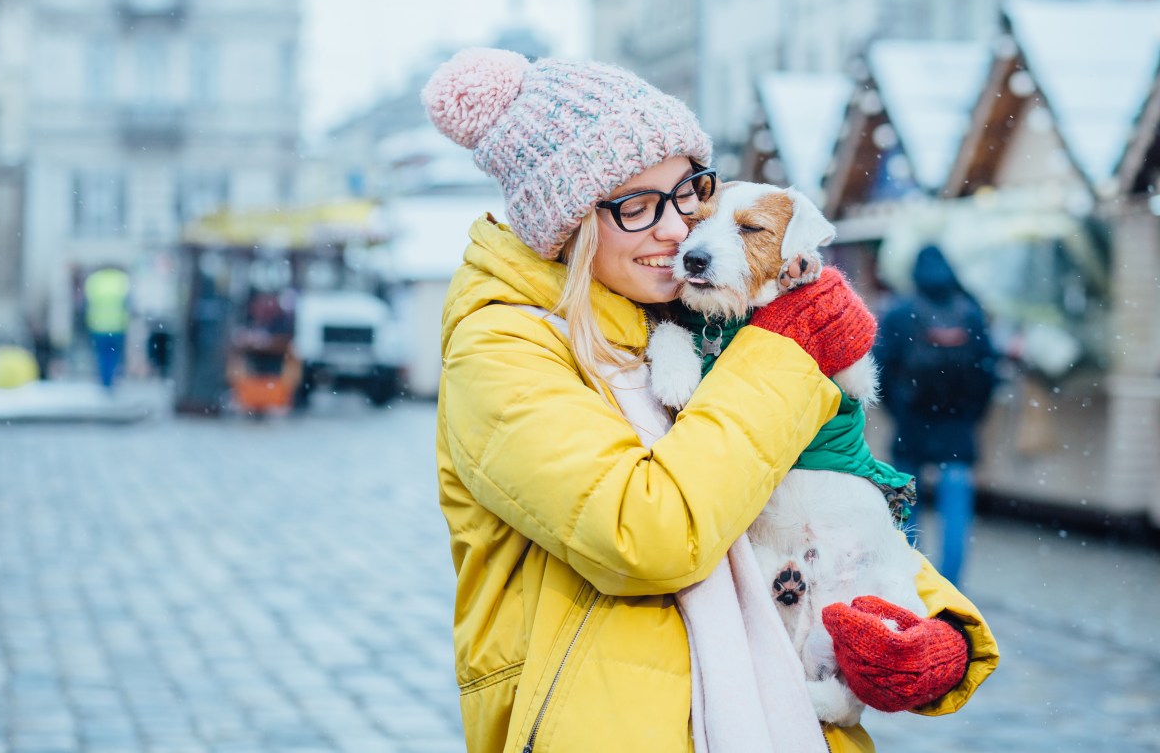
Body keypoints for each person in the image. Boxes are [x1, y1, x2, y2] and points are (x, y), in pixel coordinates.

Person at [426, 49, 997, 753]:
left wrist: (935, 630)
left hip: (783, 717)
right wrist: (784, 353)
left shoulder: (685, 315)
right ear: (565, 222)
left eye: (688, 191)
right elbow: (650, 533)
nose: (678, 229)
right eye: (636, 204)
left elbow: (814, 501)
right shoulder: (503, 348)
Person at [874, 244, 998, 588]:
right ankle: (951, 586)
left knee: (905, 506)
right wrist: (970, 416)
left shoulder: (900, 313)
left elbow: (880, 372)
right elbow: (988, 374)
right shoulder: (971, 314)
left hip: (911, 426)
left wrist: (900, 412)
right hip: (958, 429)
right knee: (955, 512)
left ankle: (912, 579)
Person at [82, 266, 130, 390]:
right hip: (117, 327)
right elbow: (128, 304)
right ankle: (111, 379)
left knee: (101, 355)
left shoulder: (94, 281)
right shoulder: (121, 281)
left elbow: (86, 304)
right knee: (113, 355)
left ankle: (104, 380)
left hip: (98, 326)